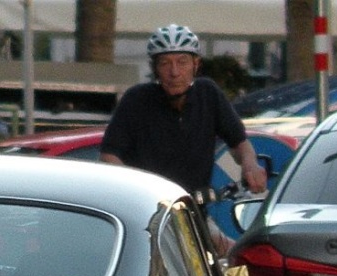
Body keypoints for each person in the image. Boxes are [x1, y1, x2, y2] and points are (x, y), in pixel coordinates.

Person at [100, 24, 267, 205]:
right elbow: (109, 155)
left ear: (196, 65)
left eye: (182, 62)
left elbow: (239, 143)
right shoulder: (136, 100)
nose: (174, 72)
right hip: (148, 210)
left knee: (222, 235)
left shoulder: (208, 94)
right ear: (154, 68)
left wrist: (250, 165)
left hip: (194, 213)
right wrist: (138, 190)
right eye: (165, 63)